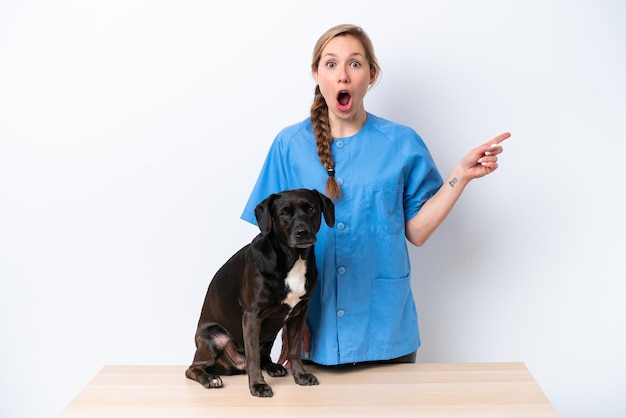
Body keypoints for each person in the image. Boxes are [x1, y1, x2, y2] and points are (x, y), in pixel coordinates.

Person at [240, 23, 510, 367]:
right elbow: (267, 241)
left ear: (372, 74)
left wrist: (460, 176)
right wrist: (292, 316)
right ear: (316, 74)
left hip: (385, 333)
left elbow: (418, 232)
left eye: (354, 63)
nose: (343, 76)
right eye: (331, 64)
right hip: (310, 336)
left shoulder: (402, 143)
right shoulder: (288, 146)